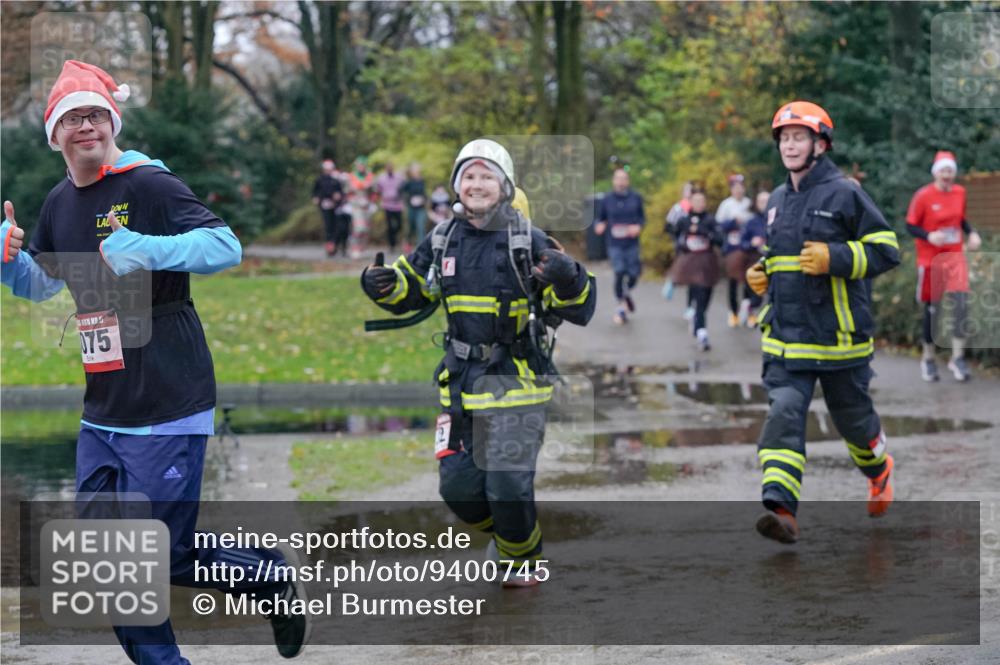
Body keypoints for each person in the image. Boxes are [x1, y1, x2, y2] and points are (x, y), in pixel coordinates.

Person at [0, 60, 309, 662]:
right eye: (71, 117)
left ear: (112, 122)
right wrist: (8, 259)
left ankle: (267, 578)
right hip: (105, 407)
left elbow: (224, 246)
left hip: (169, 397)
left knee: (162, 554)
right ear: (54, 134)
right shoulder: (60, 201)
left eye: (95, 114)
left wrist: (148, 248)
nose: (85, 125)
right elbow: (41, 283)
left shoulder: (147, 185)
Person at [360, 138, 596, 585]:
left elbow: (580, 307)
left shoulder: (529, 239)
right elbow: (413, 288)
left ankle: (523, 564)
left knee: (506, 485)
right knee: (460, 492)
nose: (477, 183)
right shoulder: (443, 237)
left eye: (487, 175)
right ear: (456, 185)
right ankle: (512, 538)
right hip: (462, 385)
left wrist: (570, 279)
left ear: (505, 186)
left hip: (518, 383)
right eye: (468, 175)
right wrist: (381, 285)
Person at [745, 100, 900, 544]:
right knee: (783, 413)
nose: (790, 146)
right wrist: (764, 271)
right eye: (784, 138)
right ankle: (781, 510)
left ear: (820, 143)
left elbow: (886, 249)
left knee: (853, 421)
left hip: (839, 341)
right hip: (787, 342)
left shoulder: (845, 192)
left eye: (799, 137)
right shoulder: (776, 200)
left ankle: (879, 468)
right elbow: (782, 256)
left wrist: (839, 257)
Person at [905, 151, 982, 382]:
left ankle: (957, 358)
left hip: (954, 258)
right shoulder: (923, 196)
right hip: (931, 260)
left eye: (951, 171)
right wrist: (929, 236)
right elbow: (910, 226)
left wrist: (972, 233)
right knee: (934, 311)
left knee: (961, 307)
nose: (947, 175)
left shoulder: (960, 192)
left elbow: (960, 219)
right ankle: (928, 359)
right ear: (936, 172)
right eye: (943, 170)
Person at [670, 190, 721, 351]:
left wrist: (704, 232)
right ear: (691, 202)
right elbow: (675, 235)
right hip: (690, 262)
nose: (699, 204)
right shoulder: (684, 220)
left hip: (707, 262)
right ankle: (702, 332)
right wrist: (681, 245)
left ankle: (697, 318)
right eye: (696, 201)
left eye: (702, 201)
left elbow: (720, 240)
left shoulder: (710, 220)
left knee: (706, 295)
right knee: (698, 294)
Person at [594, 167, 645, 324]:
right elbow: (599, 218)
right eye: (618, 178)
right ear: (614, 181)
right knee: (619, 271)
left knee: (634, 274)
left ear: (628, 181)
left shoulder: (636, 198)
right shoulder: (607, 199)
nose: (621, 181)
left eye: (624, 178)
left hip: (631, 243)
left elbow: (642, 219)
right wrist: (599, 225)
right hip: (614, 243)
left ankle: (626, 294)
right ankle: (621, 305)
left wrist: (638, 227)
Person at [716, 174, 755, 327]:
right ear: (731, 190)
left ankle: (750, 311)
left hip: (747, 249)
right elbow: (718, 226)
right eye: (736, 189)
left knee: (749, 280)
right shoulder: (726, 205)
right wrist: (733, 222)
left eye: (741, 188)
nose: (739, 191)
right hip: (732, 248)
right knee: (733, 281)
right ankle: (733, 312)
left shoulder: (749, 204)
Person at [738, 190, 770, 327]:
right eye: (761, 201)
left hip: (773, 262)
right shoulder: (751, 222)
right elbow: (741, 243)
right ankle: (751, 310)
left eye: (767, 201)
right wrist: (752, 243)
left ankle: (753, 312)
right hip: (754, 261)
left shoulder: (778, 219)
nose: (765, 204)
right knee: (756, 294)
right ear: (756, 204)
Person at [662, 180, 694, 301]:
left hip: (696, 247)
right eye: (687, 190)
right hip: (682, 245)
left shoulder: (698, 207)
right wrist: (678, 234)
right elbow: (668, 225)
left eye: (692, 190)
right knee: (683, 268)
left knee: (693, 276)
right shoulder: (678, 208)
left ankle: (691, 306)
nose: (690, 193)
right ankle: (672, 282)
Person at [311, 158, 344, 257]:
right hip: (325, 206)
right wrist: (316, 198)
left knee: (337, 227)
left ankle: (335, 245)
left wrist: (338, 196)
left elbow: (341, 193)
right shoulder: (319, 180)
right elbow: (315, 192)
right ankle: (330, 246)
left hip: (335, 206)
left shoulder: (336, 181)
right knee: (328, 226)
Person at [346, 156, 375, 259]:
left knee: (366, 229)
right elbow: (347, 191)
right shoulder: (351, 176)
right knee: (359, 228)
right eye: (359, 165)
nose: (361, 167)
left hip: (367, 205)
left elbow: (374, 191)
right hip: (356, 205)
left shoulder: (370, 176)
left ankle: (363, 248)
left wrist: (372, 201)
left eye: (363, 165)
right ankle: (354, 248)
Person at [375, 161, 406, 254]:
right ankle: (392, 245)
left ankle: (396, 238)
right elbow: (378, 189)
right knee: (389, 226)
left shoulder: (398, 177)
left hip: (398, 205)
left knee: (399, 225)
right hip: (387, 205)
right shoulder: (381, 178)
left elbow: (404, 186)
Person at [401, 162, 428, 249]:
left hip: (421, 207)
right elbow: (401, 190)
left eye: (417, 170)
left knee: (421, 226)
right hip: (411, 208)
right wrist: (407, 200)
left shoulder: (422, 181)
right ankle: (408, 242)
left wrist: (424, 199)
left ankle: (421, 246)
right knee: (411, 227)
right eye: (415, 170)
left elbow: (424, 193)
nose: (417, 171)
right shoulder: (409, 182)